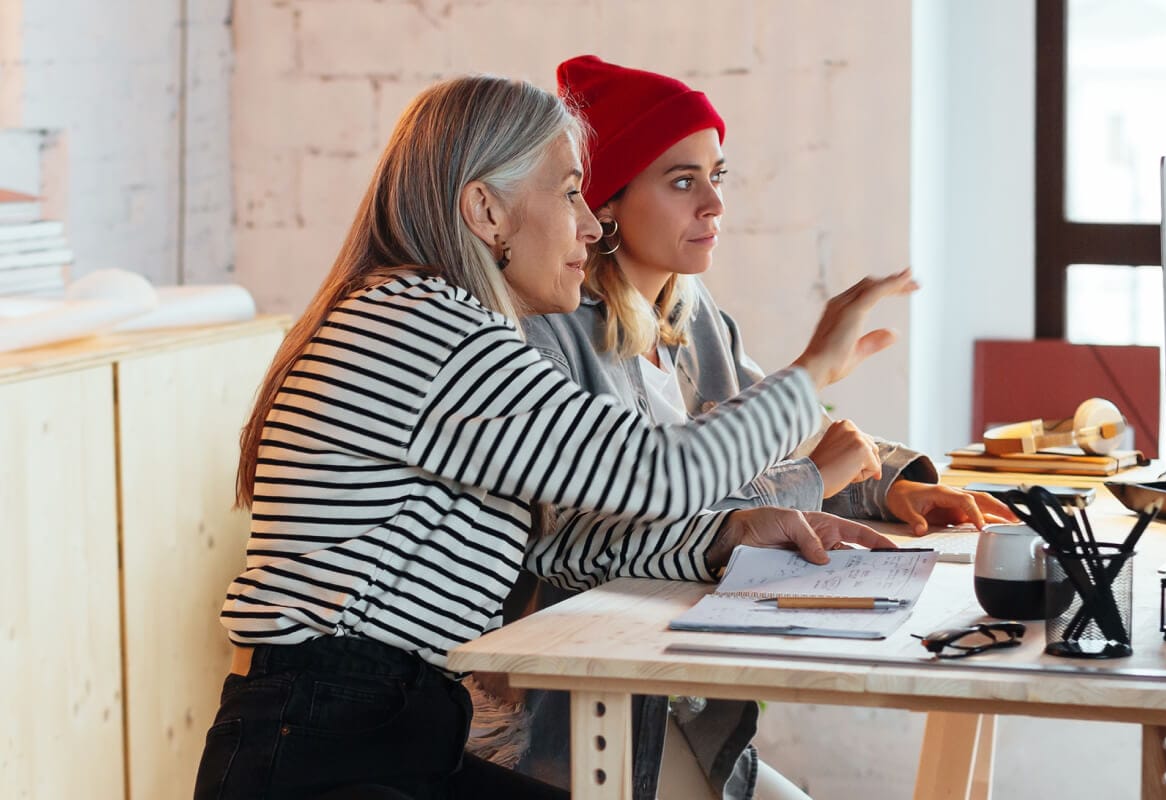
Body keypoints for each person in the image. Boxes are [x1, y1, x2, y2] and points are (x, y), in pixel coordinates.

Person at [192, 73, 914, 799]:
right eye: (570, 192)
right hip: (322, 748)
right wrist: (813, 370)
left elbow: (562, 543)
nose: (592, 225)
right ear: (486, 210)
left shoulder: (437, 323)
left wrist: (720, 538)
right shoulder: (420, 325)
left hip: (378, 729)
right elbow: (658, 474)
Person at [463, 57, 1015, 799]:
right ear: (610, 201)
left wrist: (893, 483)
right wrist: (819, 474)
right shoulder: (553, 332)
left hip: (672, 682)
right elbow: (635, 514)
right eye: (683, 180)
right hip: (580, 702)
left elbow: (783, 435)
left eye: (718, 176)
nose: (714, 204)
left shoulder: (694, 319)